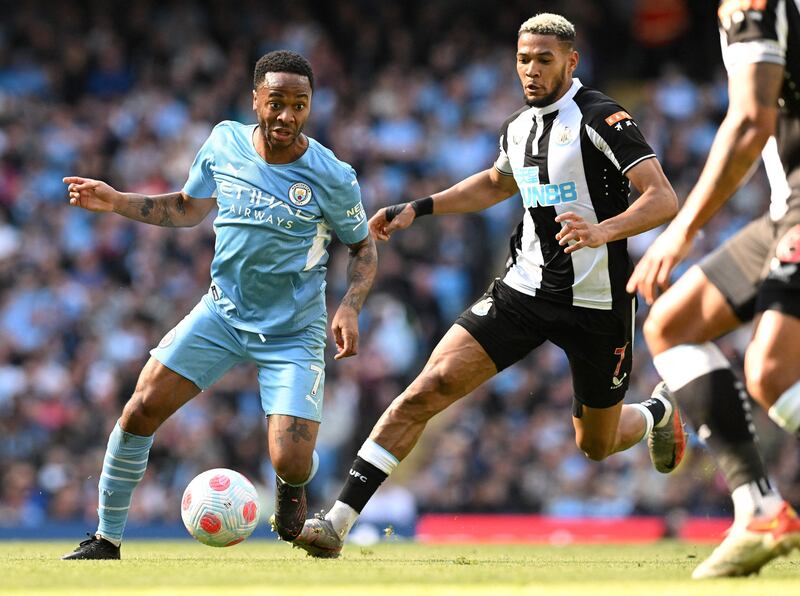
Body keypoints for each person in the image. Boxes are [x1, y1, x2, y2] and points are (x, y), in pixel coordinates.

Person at [289, 13, 681, 558]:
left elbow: (663, 197)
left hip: (600, 303)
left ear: (571, 61)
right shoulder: (517, 127)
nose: (531, 69)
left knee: (595, 445)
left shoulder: (603, 117)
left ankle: (658, 413)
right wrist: (420, 208)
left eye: (544, 59)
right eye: (524, 58)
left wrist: (602, 230)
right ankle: (337, 521)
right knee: (427, 389)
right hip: (524, 291)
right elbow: (496, 183)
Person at [60, 50, 377, 559]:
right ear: (256, 99)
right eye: (276, 102)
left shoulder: (333, 176)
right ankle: (106, 538)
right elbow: (186, 209)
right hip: (221, 315)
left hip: (293, 333)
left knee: (291, 459)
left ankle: (292, 487)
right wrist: (116, 200)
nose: (286, 116)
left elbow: (362, 246)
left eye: (299, 105)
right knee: (140, 409)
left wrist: (350, 306)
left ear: (311, 106)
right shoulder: (223, 142)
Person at [626, 0, 800, 579]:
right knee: (672, 326)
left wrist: (679, 234)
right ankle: (759, 510)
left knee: (770, 373)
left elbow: (752, 121)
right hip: (783, 212)